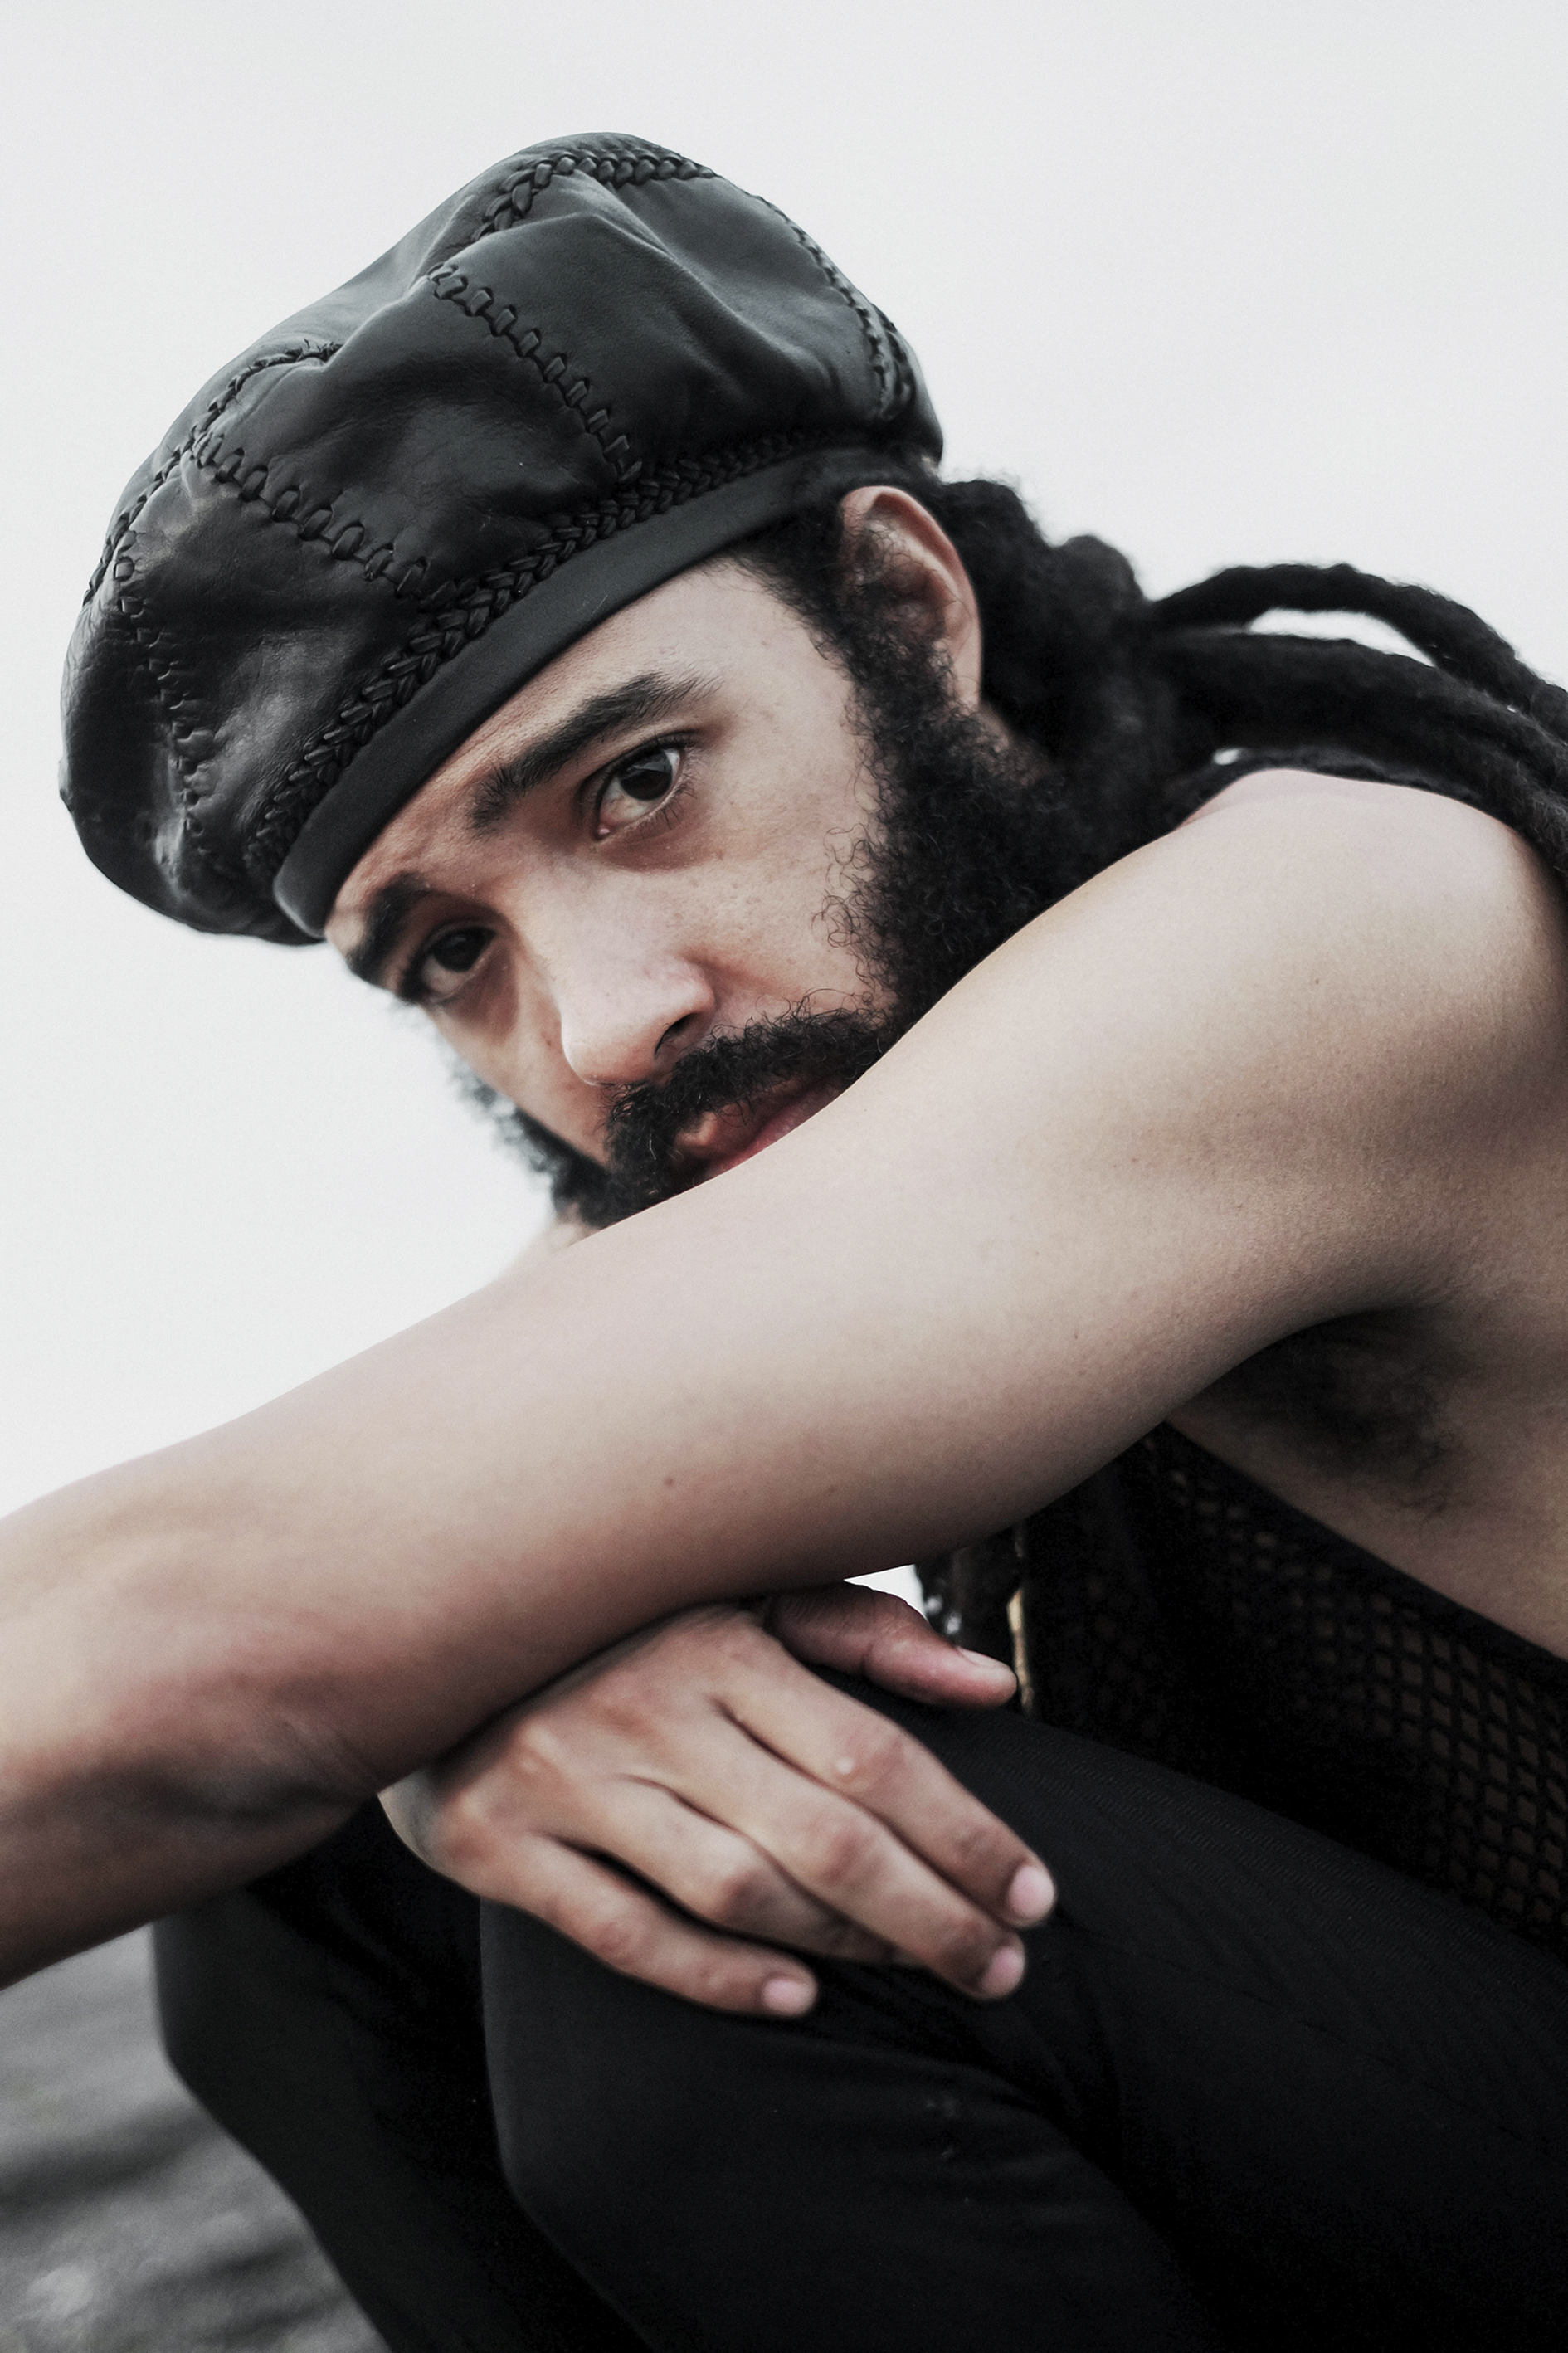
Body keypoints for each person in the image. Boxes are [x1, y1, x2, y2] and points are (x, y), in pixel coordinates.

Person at [15, 129, 1567, 2349]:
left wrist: (395, 1659)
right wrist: (454, 1692)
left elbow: (212, 1643)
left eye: (639, 781)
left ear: (907, 615)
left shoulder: (1336, 927)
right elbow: (321, 1556)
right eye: (452, 951)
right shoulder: (776, 1119)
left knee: (739, 1932)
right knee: (337, 1870)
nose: (599, 1024)